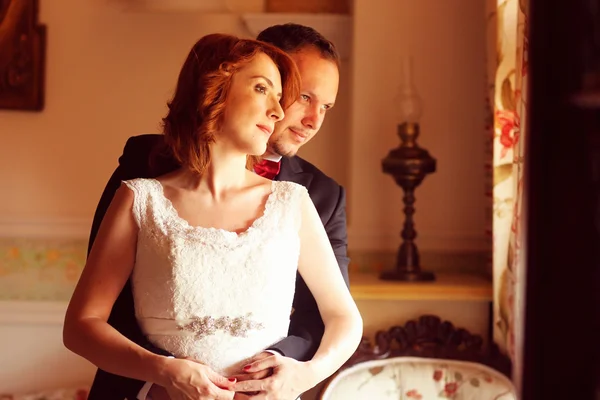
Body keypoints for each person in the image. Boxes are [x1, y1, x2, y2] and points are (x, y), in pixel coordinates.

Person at [64, 32, 362, 400]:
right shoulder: (142, 185)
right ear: (216, 88)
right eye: (299, 95)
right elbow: (95, 315)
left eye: (327, 107)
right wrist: (164, 373)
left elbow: (336, 317)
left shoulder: (303, 199)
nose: (283, 111)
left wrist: (294, 376)